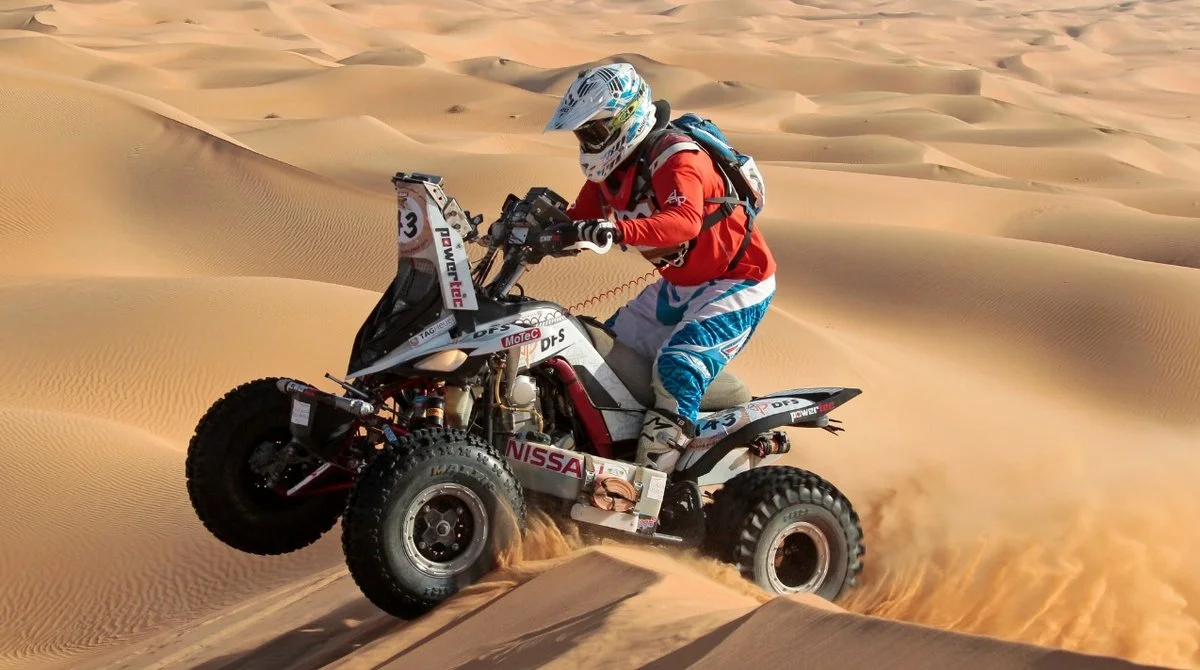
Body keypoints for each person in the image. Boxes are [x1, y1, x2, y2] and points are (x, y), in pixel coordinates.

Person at [543, 62, 777, 474]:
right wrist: (535, 227)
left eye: (595, 132)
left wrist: (616, 231)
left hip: (738, 280)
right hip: (681, 285)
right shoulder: (610, 174)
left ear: (625, 121)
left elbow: (684, 220)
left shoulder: (675, 156)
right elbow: (575, 219)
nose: (588, 143)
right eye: (584, 135)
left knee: (678, 367)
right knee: (598, 357)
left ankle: (653, 486)